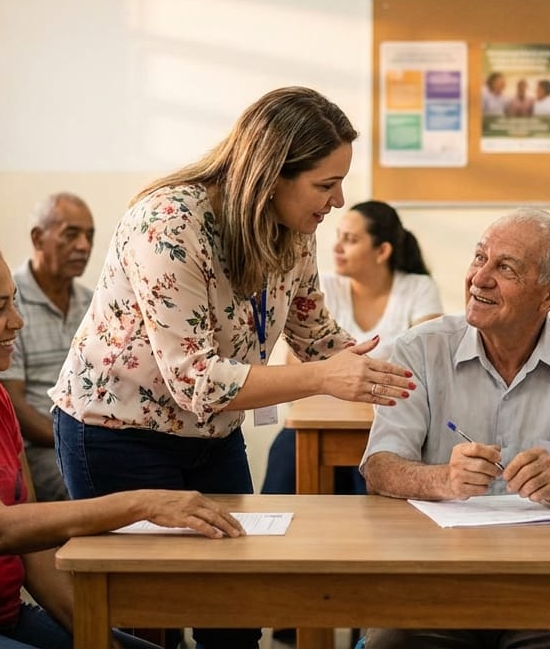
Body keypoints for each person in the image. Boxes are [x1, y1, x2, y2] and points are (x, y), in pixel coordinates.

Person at [50, 87, 412, 649]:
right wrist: (323, 379)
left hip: (210, 435)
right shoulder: (169, 224)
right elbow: (197, 379)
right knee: (148, 620)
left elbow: (316, 335)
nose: (339, 201)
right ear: (271, 177)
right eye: (326, 184)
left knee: (237, 613)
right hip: (116, 433)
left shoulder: (294, 230)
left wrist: (405, 377)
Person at [0, 229, 243, 648]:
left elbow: (31, 549)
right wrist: (143, 503)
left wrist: (101, 640)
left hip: (5, 618)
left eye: (14, 301)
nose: (17, 321)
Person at [361, 209, 550, 649]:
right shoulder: (419, 349)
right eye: (479, 257)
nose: (479, 278)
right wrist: (443, 480)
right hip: (435, 574)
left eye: (505, 267)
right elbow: (379, 467)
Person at [261, 199, 442, 495]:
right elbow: (293, 364)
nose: (337, 248)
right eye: (338, 237)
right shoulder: (326, 287)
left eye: (351, 240)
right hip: (321, 417)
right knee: (286, 454)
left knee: (378, 470)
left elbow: (428, 361)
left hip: (388, 419)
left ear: (382, 251)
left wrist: (337, 368)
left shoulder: (417, 288)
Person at [0, 193, 95, 502]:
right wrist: (79, 441)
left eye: (89, 236)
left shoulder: (92, 303)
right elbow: (11, 402)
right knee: (90, 493)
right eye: (71, 234)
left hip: (87, 440)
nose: (84, 246)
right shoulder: (7, 300)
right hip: (38, 447)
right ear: (38, 238)